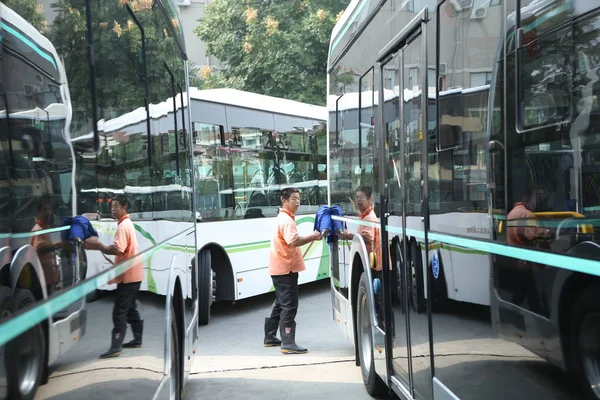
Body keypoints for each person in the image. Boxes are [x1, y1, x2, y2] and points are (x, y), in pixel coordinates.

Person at [263, 188, 321, 354]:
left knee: (280, 303)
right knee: (289, 305)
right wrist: (313, 236)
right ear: (285, 201)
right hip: (285, 269)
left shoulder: (283, 217)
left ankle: (270, 336)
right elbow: (293, 241)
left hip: (280, 267)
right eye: (294, 199)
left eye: (299, 198)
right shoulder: (287, 220)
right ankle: (287, 342)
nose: (297, 202)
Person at [86, 195, 144, 358]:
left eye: (116, 206)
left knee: (119, 312)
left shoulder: (123, 226)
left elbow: (118, 249)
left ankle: (115, 347)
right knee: (130, 308)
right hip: (133, 274)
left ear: (124, 207)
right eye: (112, 206)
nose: (113, 209)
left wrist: (99, 246)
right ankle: (137, 339)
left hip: (128, 276)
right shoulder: (127, 223)